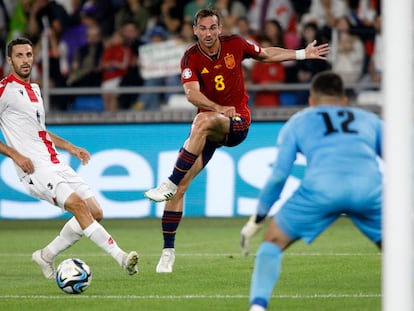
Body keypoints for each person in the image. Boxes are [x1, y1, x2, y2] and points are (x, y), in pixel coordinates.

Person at [143, 8, 330, 273]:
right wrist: (218, 108)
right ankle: (167, 252)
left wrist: (301, 53)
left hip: (237, 122)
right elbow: (191, 95)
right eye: (203, 29)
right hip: (211, 126)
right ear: (195, 30)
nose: (208, 33)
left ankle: (169, 181)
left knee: (201, 123)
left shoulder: (235, 44)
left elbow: (265, 54)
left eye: (212, 28)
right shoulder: (190, 58)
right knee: (183, 185)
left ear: (219, 28)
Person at [0, 37, 139, 279]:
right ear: (9, 60)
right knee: (77, 205)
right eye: (20, 55)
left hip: (54, 162)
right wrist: (15, 154)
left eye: (29, 55)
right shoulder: (4, 90)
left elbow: (40, 130)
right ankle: (122, 257)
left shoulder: (34, 89)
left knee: (95, 212)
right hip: (33, 168)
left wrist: (71, 147)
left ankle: (46, 255)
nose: (25, 60)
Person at [243, 71, 382, 311]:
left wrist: (259, 217)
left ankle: (258, 308)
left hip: (321, 191)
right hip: (368, 189)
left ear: (311, 101)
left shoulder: (299, 121)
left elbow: (278, 176)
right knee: (399, 248)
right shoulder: (370, 119)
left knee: (273, 241)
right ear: (345, 100)